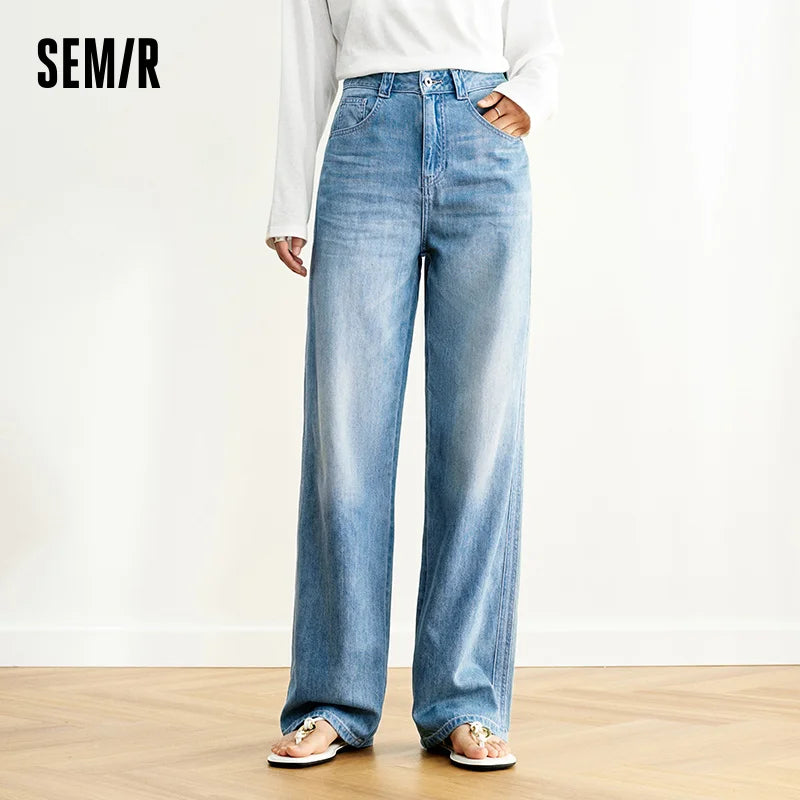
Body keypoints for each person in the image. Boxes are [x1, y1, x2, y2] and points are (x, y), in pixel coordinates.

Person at [265, 0, 562, 771]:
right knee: (346, 441)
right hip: (366, 139)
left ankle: (465, 702)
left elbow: (538, 38)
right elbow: (306, 50)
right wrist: (289, 197)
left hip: (483, 135)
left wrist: (530, 96)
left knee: (479, 442)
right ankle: (333, 700)